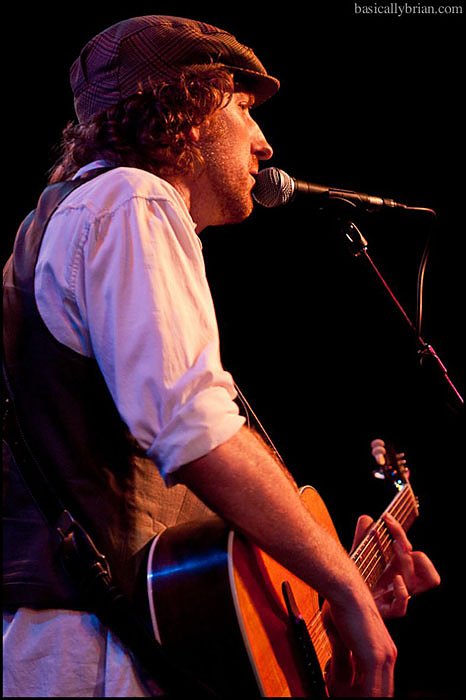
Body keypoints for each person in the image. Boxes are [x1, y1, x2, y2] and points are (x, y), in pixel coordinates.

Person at [3, 14, 440, 698]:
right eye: (242, 108)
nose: (265, 143)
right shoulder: (130, 198)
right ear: (187, 111)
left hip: (107, 638)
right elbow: (192, 428)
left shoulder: (77, 215)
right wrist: (343, 584)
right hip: (97, 651)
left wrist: (321, 607)